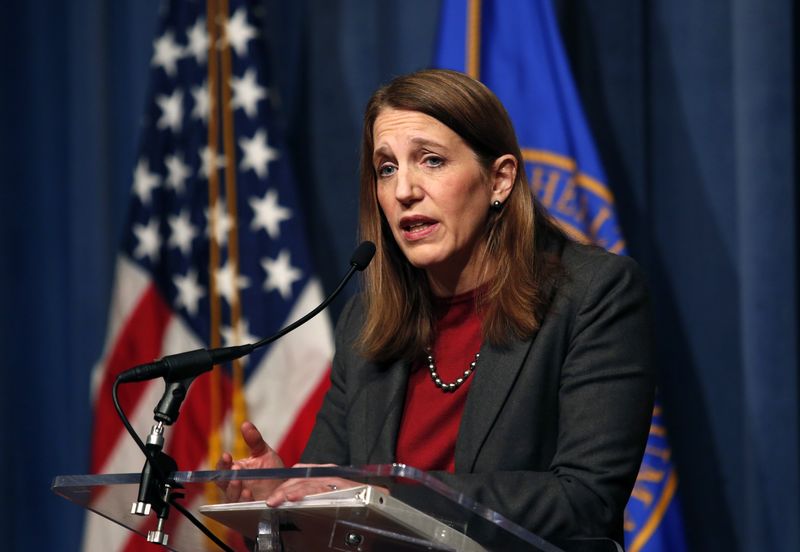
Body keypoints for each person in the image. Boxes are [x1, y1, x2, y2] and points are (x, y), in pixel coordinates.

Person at [218, 69, 655, 546]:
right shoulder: (364, 325)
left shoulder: (592, 293)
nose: (404, 190)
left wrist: (384, 496)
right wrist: (284, 502)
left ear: (500, 179)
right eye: (387, 168)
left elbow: (586, 500)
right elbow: (334, 508)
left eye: (430, 160)